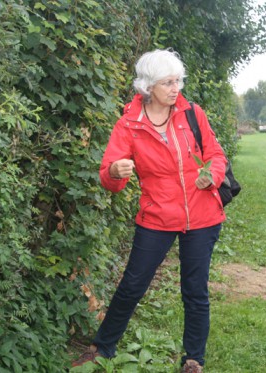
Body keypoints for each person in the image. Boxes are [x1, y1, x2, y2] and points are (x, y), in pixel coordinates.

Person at [72, 49, 227, 373]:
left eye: (178, 81)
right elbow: (107, 175)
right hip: (157, 216)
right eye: (167, 82)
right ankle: (103, 347)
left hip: (201, 216)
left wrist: (210, 175)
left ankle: (193, 358)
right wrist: (115, 172)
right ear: (148, 86)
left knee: (194, 290)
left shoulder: (192, 114)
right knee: (132, 285)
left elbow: (215, 153)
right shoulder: (129, 125)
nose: (175, 88)